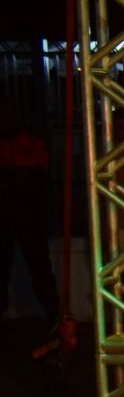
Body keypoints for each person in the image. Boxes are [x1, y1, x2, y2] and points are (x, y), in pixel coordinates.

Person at [0, 97, 60, 325]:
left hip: (29, 216)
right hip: (6, 217)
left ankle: (54, 314)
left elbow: (39, 176)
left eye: (10, 113)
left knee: (40, 267)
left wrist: (17, 178)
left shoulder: (32, 143)